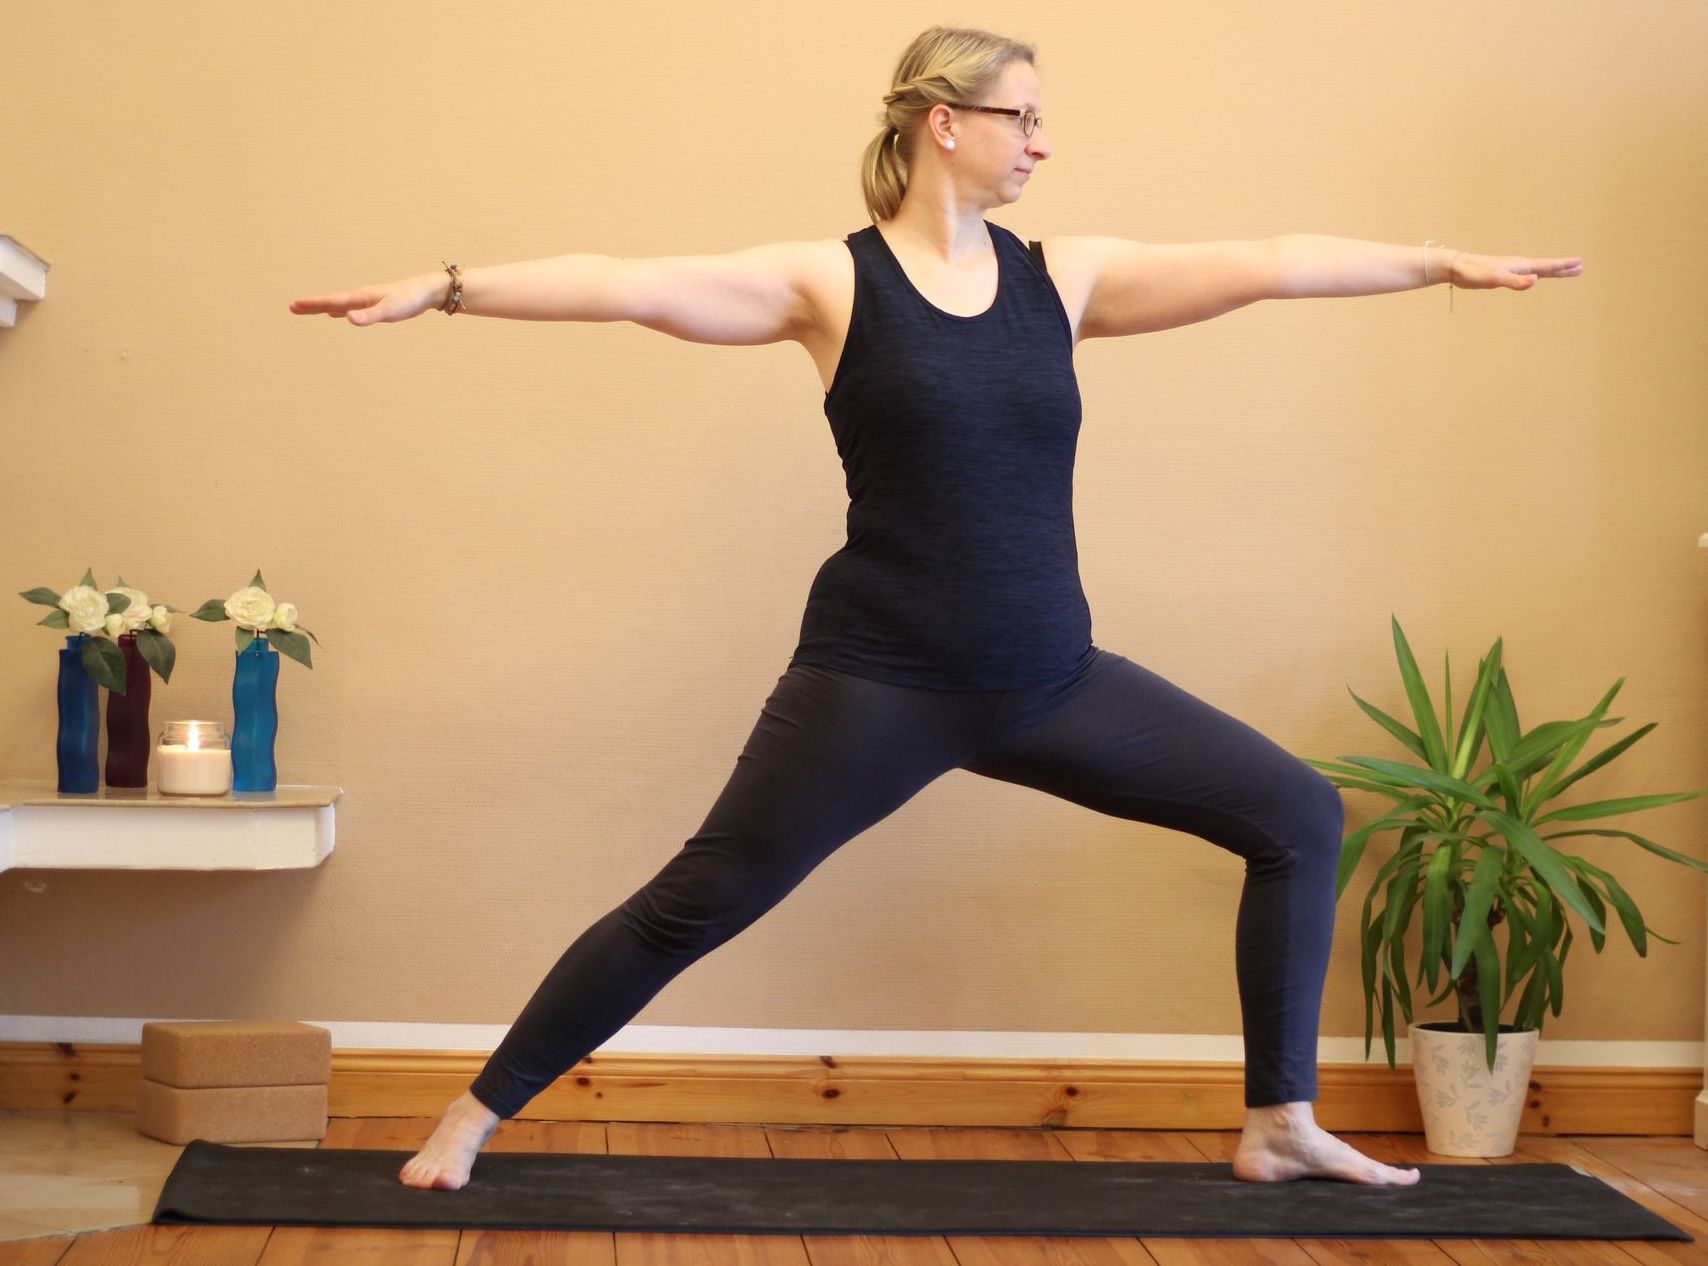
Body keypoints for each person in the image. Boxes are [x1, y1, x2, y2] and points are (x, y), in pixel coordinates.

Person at [289, 26, 1580, 1193]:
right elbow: (629, 282)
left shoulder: (1063, 278)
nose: (1044, 143)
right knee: (700, 897)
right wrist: (444, 286)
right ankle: (472, 1114)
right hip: (879, 683)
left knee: (1295, 811)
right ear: (945, 124)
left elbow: (1268, 264)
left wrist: (1440, 264)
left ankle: (1279, 1122)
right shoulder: (832, 283)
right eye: (1026, 118)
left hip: (1053, 679)